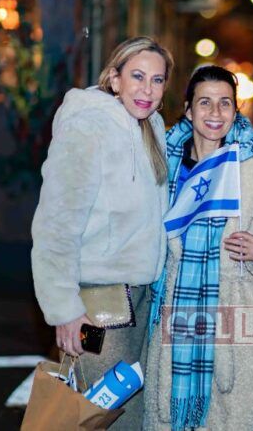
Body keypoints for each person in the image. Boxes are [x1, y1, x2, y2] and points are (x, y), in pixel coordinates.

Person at [31, 36, 173, 430]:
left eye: (157, 80)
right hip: (96, 307)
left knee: (126, 416)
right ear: (114, 79)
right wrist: (64, 310)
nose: (147, 89)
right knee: (104, 416)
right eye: (137, 76)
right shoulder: (87, 127)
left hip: (141, 300)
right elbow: (56, 224)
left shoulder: (152, 128)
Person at [143, 65, 253, 430]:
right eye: (205, 102)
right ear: (188, 109)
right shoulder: (162, 164)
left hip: (242, 323)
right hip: (176, 312)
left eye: (225, 102)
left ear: (235, 109)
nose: (215, 112)